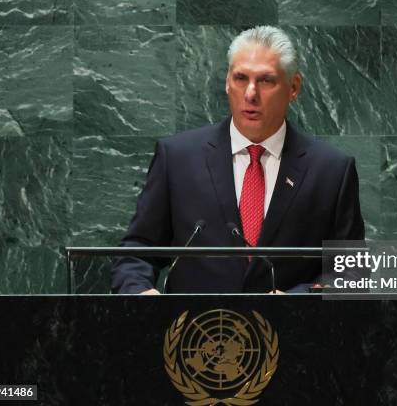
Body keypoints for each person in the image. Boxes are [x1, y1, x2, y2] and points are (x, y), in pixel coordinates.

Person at [111, 26, 364, 294]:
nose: (250, 94)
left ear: (294, 87)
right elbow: (137, 251)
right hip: (193, 331)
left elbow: (351, 272)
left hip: (291, 331)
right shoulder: (177, 158)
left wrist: (298, 299)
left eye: (266, 81)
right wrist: (138, 294)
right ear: (227, 82)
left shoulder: (331, 170)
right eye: (241, 78)